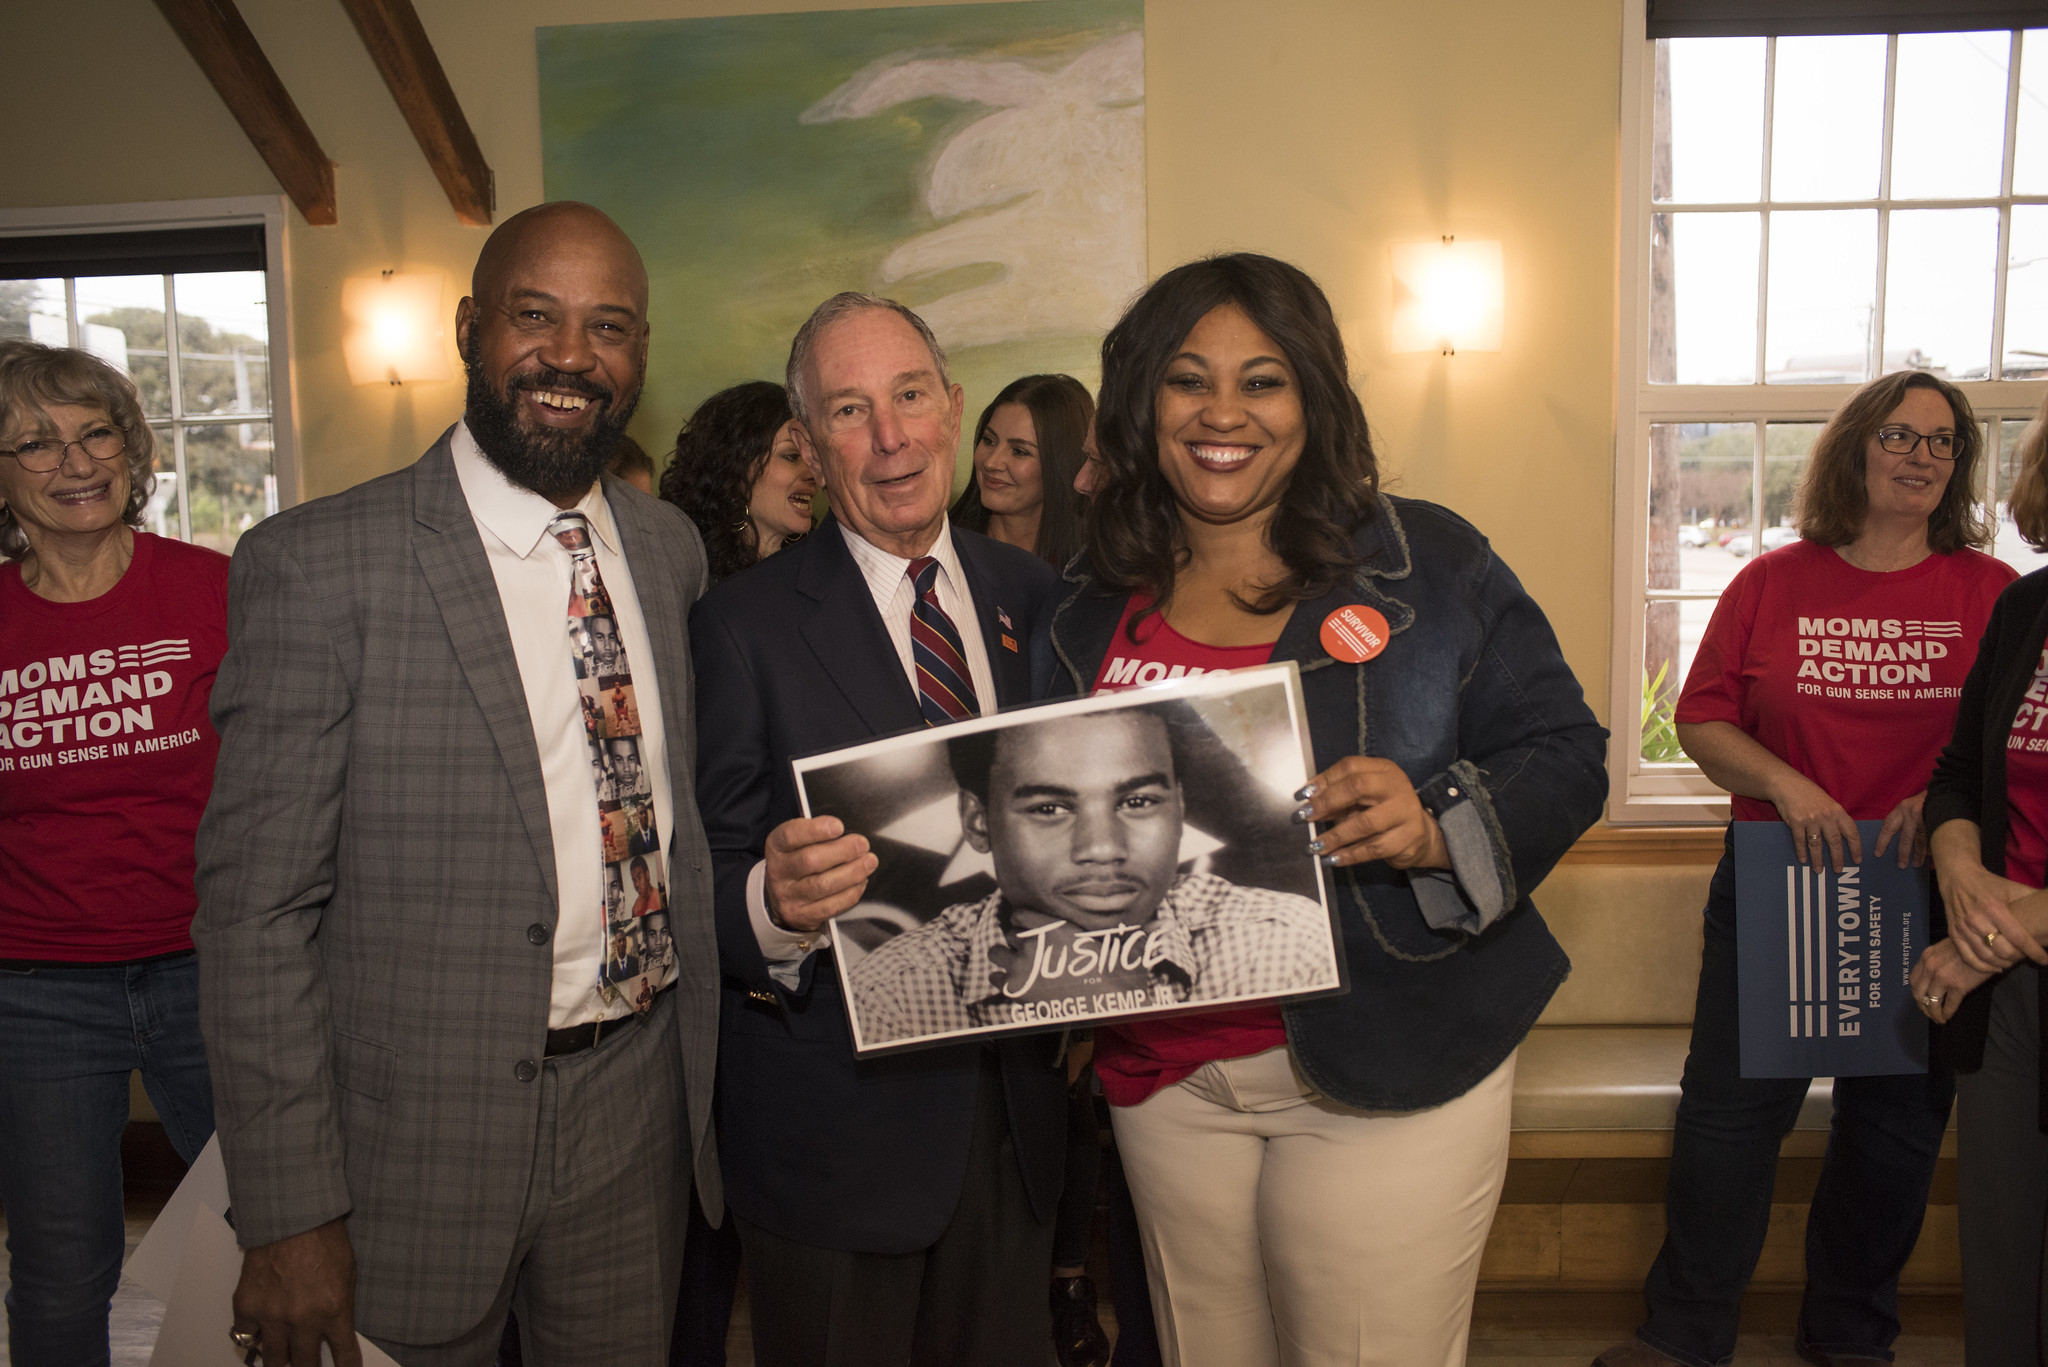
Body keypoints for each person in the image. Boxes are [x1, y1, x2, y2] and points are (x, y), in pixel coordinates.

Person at [1045, 252, 1606, 1367]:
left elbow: (1565, 752)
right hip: (1163, 1079)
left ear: (1313, 398)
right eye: (1186, 379)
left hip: (1383, 1062)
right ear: (1139, 399)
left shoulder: (1422, 562)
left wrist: (1436, 820)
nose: (1222, 413)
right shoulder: (1083, 601)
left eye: (1262, 380)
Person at [193, 201, 721, 1367]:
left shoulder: (669, 549)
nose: (573, 355)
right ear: (469, 327)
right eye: (536, 316)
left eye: (610, 327)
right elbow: (252, 915)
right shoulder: (316, 568)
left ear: (640, 354)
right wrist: (287, 1207)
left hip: (635, 1118)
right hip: (410, 1144)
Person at [1598, 370, 2016, 1367]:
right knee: (1727, 1123)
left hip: (1927, 896)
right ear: (1852, 449)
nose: (1919, 455)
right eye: (1897, 434)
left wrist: (1949, 799)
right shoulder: (1770, 582)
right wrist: (1789, 786)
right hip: (1778, 883)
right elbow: (1699, 713)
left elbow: (2017, 742)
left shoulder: (1990, 594)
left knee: (1890, 1134)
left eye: (1940, 441)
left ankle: (1847, 1337)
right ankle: (1683, 1332)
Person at [690, 291, 1068, 1367]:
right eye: (849, 412)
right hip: (833, 1142)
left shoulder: (1037, 597)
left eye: (908, 395)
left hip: (1016, 1124)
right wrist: (771, 901)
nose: (891, 437)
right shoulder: (738, 626)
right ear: (807, 447)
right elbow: (699, 875)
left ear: (949, 406)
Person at [0, 342, 226, 1367]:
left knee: (281, 1228)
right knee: (59, 1266)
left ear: (131, 452)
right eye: (34, 441)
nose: (72, 458)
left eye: (93, 430)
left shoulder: (220, 591)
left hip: (212, 967)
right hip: (37, 989)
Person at [848, 703, 1333, 1045]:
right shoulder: (892, 993)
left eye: (1138, 802)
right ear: (978, 823)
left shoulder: (1285, 940)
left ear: (1179, 807)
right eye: (1051, 808)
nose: (1102, 848)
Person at [1914, 388, 2048, 1364]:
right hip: (2004, 978)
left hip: (1996, 950)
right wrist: (1960, 871)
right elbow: (1959, 769)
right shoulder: (2024, 606)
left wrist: (1982, 936)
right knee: (2000, 1237)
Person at [660, 380, 816, 584]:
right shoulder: (682, 574)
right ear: (735, 464)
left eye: (814, 457)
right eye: (791, 456)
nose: (813, 472)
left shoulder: (820, 571)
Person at [949, 373, 1093, 569]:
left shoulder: (1092, 568)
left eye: (1019, 451)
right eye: (989, 441)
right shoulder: (944, 550)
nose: (992, 462)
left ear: (1061, 465)